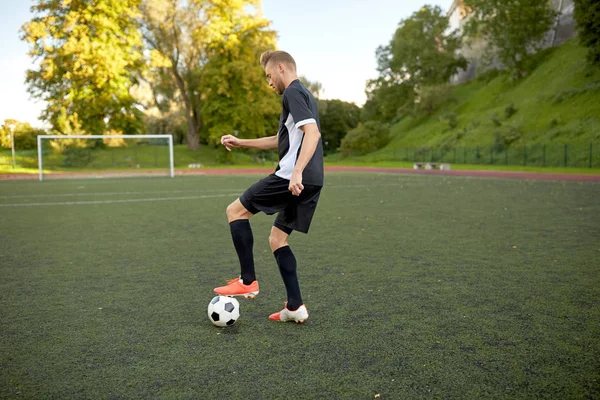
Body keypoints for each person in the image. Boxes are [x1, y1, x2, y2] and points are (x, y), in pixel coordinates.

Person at [213, 50, 324, 324]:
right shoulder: (306, 95)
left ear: (281, 68)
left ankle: (247, 280)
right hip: (313, 180)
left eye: (269, 76)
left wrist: (296, 171)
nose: (269, 83)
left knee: (235, 211)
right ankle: (295, 306)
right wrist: (241, 142)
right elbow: (281, 139)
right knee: (277, 239)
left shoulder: (292, 93)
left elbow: (313, 133)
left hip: (292, 177)